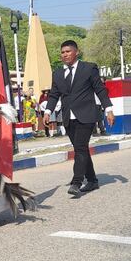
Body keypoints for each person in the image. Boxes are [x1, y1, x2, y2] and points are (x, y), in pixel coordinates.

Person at [44, 40, 114, 196]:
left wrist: (108, 109)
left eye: (68, 51)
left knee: (80, 148)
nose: (65, 54)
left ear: (76, 52)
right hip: (68, 117)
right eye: (63, 52)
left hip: (86, 115)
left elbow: (100, 89)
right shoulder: (57, 74)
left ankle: (76, 182)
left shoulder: (89, 68)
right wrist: (48, 111)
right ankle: (92, 180)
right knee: (80, 149)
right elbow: (54, 94)